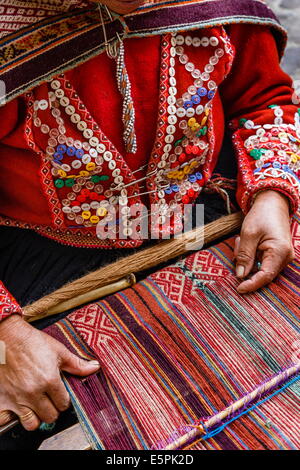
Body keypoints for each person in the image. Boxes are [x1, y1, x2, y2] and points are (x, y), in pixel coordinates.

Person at [0, 0, 299, 435]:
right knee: (59, 421)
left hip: (201, 219)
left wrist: (272, 196)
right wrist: (6, 339)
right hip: (44, 257)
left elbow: (261, 99)